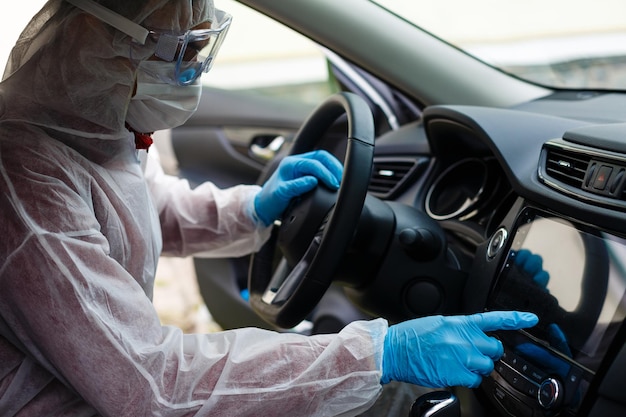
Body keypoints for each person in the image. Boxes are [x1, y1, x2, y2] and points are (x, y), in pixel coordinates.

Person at [0, 0, 538, 415]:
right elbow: (151, 385)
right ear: (98, 41)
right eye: (179, 51)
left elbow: (143, 206)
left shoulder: (95, 125)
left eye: (200, 48)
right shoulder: (26, 182)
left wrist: (253, 210)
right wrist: (380, 355)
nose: (193, 72)